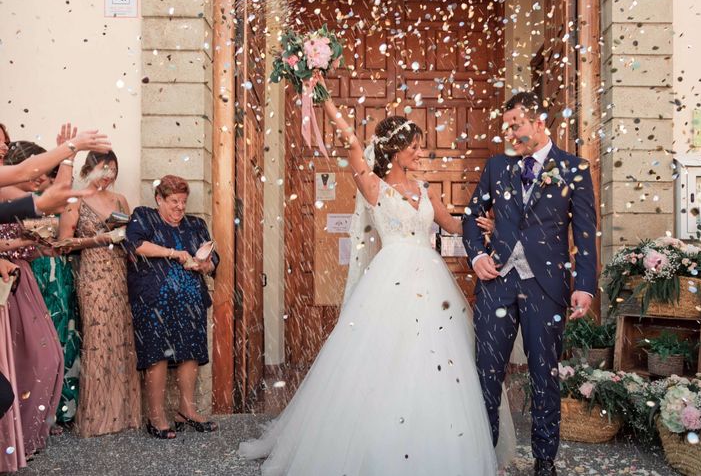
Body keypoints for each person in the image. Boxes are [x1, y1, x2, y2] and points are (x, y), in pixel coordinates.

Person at [240, 73, 510, 475]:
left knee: (440, 358)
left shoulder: (426, 190)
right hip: (391, 279)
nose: (421, 152)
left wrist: (481, 226)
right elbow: (350, 139)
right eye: (414, 147)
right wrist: (323, 98)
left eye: (420, 146)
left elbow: (452, 226)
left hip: (432, 281)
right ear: (396, 149)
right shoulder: (373, 187)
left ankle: (435, 442)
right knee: (383, 356)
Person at [462, 91, 598, 476]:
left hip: (547, 286)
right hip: (497, 284)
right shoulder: (496, 167)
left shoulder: (573, 169)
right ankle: (482, 456)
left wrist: (585, 284)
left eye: (516, 125)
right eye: (507, 127)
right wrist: (477, 256)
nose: (511, 134)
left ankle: (544, 460)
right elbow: (471, 217)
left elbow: (585, 233)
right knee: (487, 373)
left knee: (544, 373)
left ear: (540, 123)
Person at [125, 175, 219, 439]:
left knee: (190, 351)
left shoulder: (196, 224)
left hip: (190, 301)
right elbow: (134, 245)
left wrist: (204, 265)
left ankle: (186, 410)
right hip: (153, 301)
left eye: (183, 202)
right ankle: (156, 416)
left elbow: (214, 259)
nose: (180, 207)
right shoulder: (144, 217)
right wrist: (173, 253)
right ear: (159, 199)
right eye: (174, 201)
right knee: (156, 353)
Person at [57, 150, 140, 437]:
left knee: (120, 338)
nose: (108, 175)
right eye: (103, 169)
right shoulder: (75, 199)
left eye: (112, 170)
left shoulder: (120, 200)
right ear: (89, 169)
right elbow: (63, 242)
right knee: (97, 338)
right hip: (92, 275)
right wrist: (99, 239)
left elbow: (131, 238)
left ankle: (123, 414)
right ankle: (95, 418)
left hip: (119, 275)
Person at [3, 142, 81, 430]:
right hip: (13, 278)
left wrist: (69, 160)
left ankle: (33, 423)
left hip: (31, 277)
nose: (39, 177)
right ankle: (18, 428)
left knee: (46, 354)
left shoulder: (29, 196)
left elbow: (58, 225)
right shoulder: (9, 192)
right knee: (22, 356)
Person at [0, 127, 65, 468]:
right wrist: (69, 150)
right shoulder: (9, 188)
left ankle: (24, 438)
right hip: (7, 284)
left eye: (5, 141)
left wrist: (35, 245)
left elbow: (54, 199)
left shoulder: (16, 190)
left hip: (21, 280)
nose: (2, 146)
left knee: (43, 360)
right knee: (20, 366)